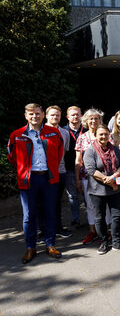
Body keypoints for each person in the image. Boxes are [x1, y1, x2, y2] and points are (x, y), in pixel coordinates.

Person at [8, 103, 64, 264]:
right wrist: (23, 169)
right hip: (28, 179)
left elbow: (60, 152)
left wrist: (51, 167)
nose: (35, 116)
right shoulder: (17, 135)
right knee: (29, 215)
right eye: (31, 114)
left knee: (50, 213)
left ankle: (50, 244)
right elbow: (12, 157)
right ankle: (30, 248)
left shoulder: (53, 133)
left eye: (38, 113)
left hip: (49, 178)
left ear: (43, 115)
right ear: (26, 116)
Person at [83, 124, 120, 254]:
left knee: (116, 216)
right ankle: (103, 243)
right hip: (97, 190)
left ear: (109, 135)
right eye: (101, 134)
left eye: (106, 134)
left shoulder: (115, 149)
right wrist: (109, 181)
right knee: (99, 217)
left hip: (115, 189)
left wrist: (114, 176)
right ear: (96, 135)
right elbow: (91, 170)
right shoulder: (90, 151)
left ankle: (116, 242)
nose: (103, 136)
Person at [75, 108, 108, 244]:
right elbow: (78, 160)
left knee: (105, 205)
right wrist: (77, 179)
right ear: (86, 121)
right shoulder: (82, 138)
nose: (94, 121)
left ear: (100, 120)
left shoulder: (106, 134)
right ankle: (93, 231)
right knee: (90, 205)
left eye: (96, 118)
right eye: (91, 119)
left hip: (104, 176)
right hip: (86, 177)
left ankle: (106, 231)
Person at [45, 105, 72, 238]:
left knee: (57, 201)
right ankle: (42, 230)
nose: (55, 117)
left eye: (57, 115)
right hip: (43, 172)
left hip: (60, 171)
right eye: (52, 115)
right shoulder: (40, 131)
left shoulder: (65, 133)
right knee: (42, 202)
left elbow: (64, 152)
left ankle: (58, 227)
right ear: (46, 116)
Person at [63, 106, 85, 229]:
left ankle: (92, 220)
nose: (75, 117)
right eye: (72, 115)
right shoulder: (63, 131)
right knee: (73, 196)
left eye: (77, 114)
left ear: (81, 115)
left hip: (86, 169)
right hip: (69, 168)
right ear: (68, 117)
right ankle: (76, 220)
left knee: (88, 196)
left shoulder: (87, 130)